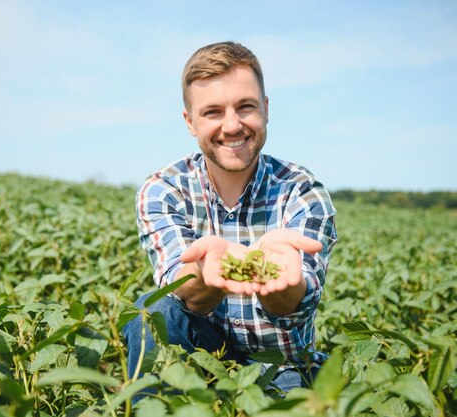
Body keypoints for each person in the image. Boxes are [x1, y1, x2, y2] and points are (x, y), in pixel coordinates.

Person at [123, 41, 337, 393]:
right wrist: (207, 273)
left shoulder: (302, 192)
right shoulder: (163, 190)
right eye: (213, 112)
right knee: (150, 311)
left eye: (246, 107)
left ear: (266, 110)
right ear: (190, 122)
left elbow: (293, 303)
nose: (233, 125)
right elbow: (183, 295)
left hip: (279, 366)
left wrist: (280, 282)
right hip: (196, 355)